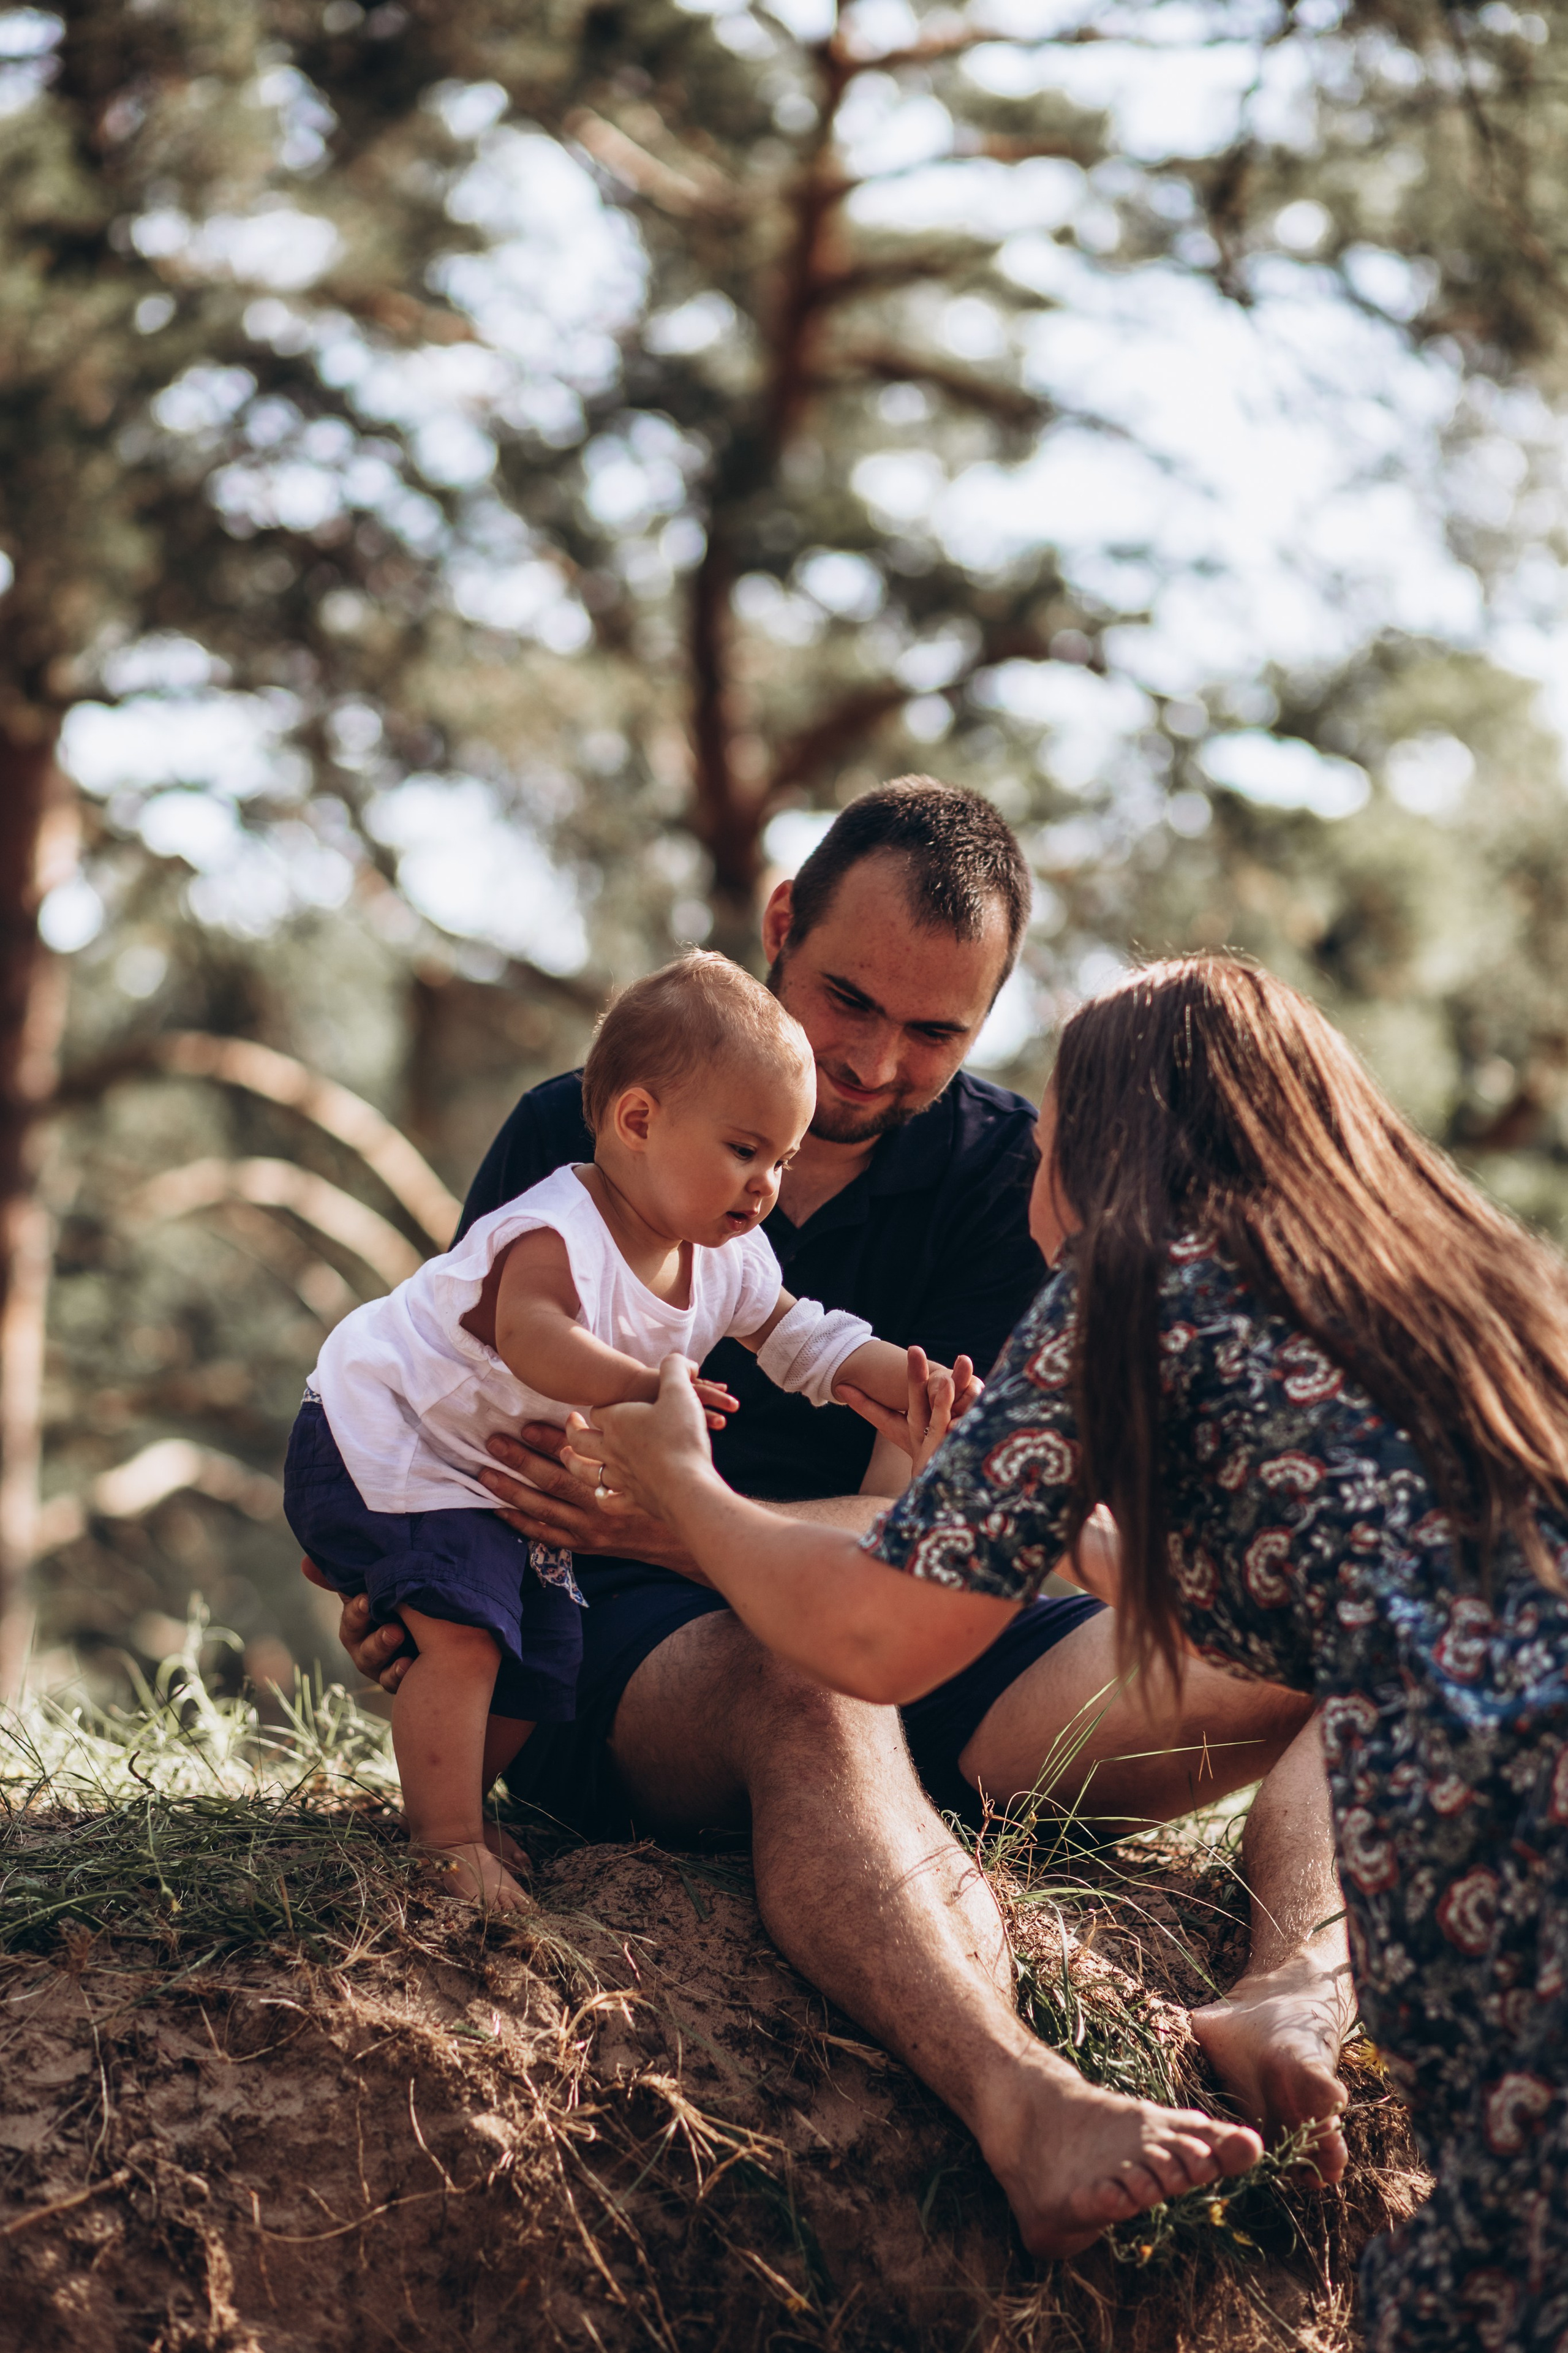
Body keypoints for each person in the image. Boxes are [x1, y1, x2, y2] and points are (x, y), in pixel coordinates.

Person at [318, 781, 1352, 2256]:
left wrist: (709, 1515)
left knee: (1330, 1633)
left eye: (933, 1032)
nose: (871, 1060)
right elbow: (478, 1436)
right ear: (778, 923)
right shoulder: (576, 1134)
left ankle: (1293, 1981)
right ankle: (1027, 2099)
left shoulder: (1026, 1181)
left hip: (933, 1623)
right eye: (845, 1000)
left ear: (993, 1013)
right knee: (806, 1672)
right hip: (646, 1648)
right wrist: (414, 1580)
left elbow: (947, 1542)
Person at [577, 952, 1568, 2347]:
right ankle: (1302, 1996)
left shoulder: (1130, 1285)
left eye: (1046, 1143)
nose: (1030, 1175)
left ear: (1103, 1155)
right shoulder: (1485, 1298)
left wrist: (680, 1484)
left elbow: (869, 1632)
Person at [288, 952, 974, 1911]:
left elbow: (799, 1334)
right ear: (639, 1121)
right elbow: (533, 1336)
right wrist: (653, 1385)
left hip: (483, 1475)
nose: (767, 1185)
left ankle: (460, 1803)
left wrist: (898, 1376)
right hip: (388, 1434)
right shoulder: (557, 1226)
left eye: (782, 1160)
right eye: (746, 1151)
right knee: (469, 1640)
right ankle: (441, 1841)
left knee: (549, 1647)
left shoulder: (725, 1255)